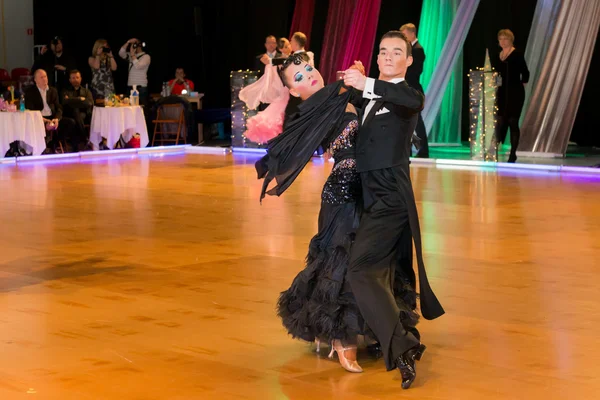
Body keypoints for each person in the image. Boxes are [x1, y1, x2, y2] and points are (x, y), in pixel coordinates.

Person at [256, 54, 418, 374]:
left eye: (307, 69)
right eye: (298, 77)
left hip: (371, 189)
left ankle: (376, 326)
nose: (307, 76)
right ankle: (340, 338)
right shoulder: (314, 110)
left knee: (369, 261)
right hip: (343, 193)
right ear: (292, 90)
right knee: (341, 262)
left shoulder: (338, 93)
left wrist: (358, 82)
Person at [343, 31, 444, 389]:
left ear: (409, 60)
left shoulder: (407, 95)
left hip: (390, 199)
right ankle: (400, 340)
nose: (387, 56)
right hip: (368, 198)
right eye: (383, 51)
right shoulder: (371, 94)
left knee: (361, 270)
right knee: (378, 274)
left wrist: (368, 82)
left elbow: (405, 97)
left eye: (396, 52)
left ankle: (402, 347)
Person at [493, 29, 530, 163]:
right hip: (502, 93)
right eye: (501, 39)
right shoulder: (499, 55)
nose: (503, 41)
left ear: (511, 40)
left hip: (515, 93)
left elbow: (525, 73)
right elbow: (497, 74)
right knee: (500, 122)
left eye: (505, 39)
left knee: (513, 122)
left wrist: (520, 84)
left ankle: (513, 154)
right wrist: (497, 86)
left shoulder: (517, 54)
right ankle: (495, 151)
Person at [25, 69, 77, 152]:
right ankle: (46, 145)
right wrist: (44, 121)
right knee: (35, 125)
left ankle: (53, 142)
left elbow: (59, 108)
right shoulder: (30, 92)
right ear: (35, 80)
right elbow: (30, 111)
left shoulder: (53, 90)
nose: (44, 79)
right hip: (39, 118)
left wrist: (57, 118)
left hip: (52, 117)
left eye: (45, 76)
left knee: (70, 122)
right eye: (41, 77)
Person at [400, 23, 428, 158]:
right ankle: (409, 150)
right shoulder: (412, 49)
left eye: (404, 35)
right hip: (410, 88)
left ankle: (423, 151)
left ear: (412, 34)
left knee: (416, 121)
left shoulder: (417, 50)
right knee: (409, 120)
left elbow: (414, 72)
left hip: (413, 89)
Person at [62, 70, 93, 150]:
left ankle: (75, 145)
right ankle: (84, 138)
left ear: (81, 79)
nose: (75, 80)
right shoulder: (65, 91)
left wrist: (71, 100)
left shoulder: (86, 91)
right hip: (69, 114)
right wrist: (80, 99)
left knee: (77, 114)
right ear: (69, 80)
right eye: (73, 78)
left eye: (77, 77)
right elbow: (64, 102)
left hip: (84, 114)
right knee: (75, 111)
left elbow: (89, 103)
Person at [119, 38, 151, 106]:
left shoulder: (146, 57)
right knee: (128, 108)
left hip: (140, 87)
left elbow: (138, 66)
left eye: (135, 44)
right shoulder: (131, 56)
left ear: (140, 45)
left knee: (141, 109)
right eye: (133, 44)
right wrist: (128, 42)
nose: (133, 46)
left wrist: (132, 55)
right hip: (130, 86)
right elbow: (121, 53)